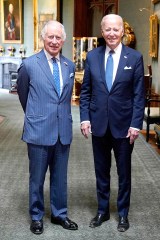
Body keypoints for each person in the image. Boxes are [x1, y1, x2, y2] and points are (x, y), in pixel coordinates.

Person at [80, 14, 145, 232]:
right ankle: (102, 211)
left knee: (124, 172)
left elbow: (139, 95)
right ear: (102, 31)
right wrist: (85, 118)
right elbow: (86, 91)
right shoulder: (92, 57)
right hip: (98, 124)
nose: (111, 33)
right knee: (101, 171)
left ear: (122, 31)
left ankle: (123, 213)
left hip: (125, 127)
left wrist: (136, 124)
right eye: (107, 29)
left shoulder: (134, 58)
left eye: (115, 29)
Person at [17, 20, 78, 234]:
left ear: (63, 40)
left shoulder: (69, 65)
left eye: (58, 37)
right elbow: (24, 94)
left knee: (60, 177)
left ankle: (59, 214)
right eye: (50, 37)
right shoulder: (29, 64)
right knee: (37, 177)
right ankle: (36, 216)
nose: (54, 41)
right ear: (43, 38)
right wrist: (37, 115)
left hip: (63, 132)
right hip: (38, 131)